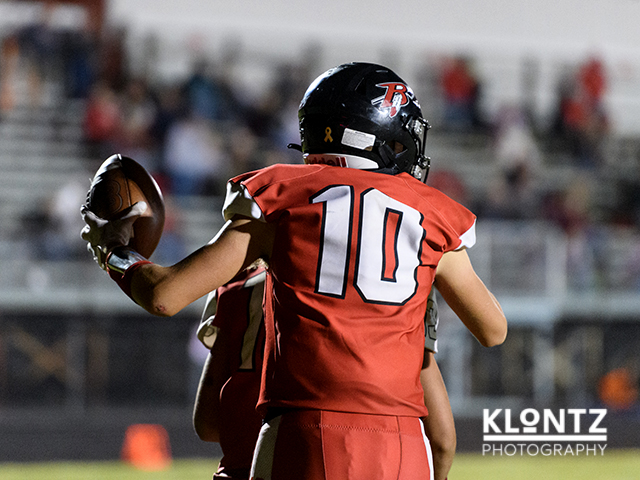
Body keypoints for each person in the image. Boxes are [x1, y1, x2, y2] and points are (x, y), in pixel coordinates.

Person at [81, 62, 507, 480]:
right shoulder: (431, 215)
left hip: (308, 433)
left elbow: (165, 295)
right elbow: (493, 330)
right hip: (403, 442)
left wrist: (113, 249)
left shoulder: (282, 197)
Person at [193, 267, 456, 480]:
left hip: (245, 467)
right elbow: (442, 440)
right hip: (340, 453)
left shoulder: (234, 281)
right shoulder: (395, 281)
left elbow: (208, 423)